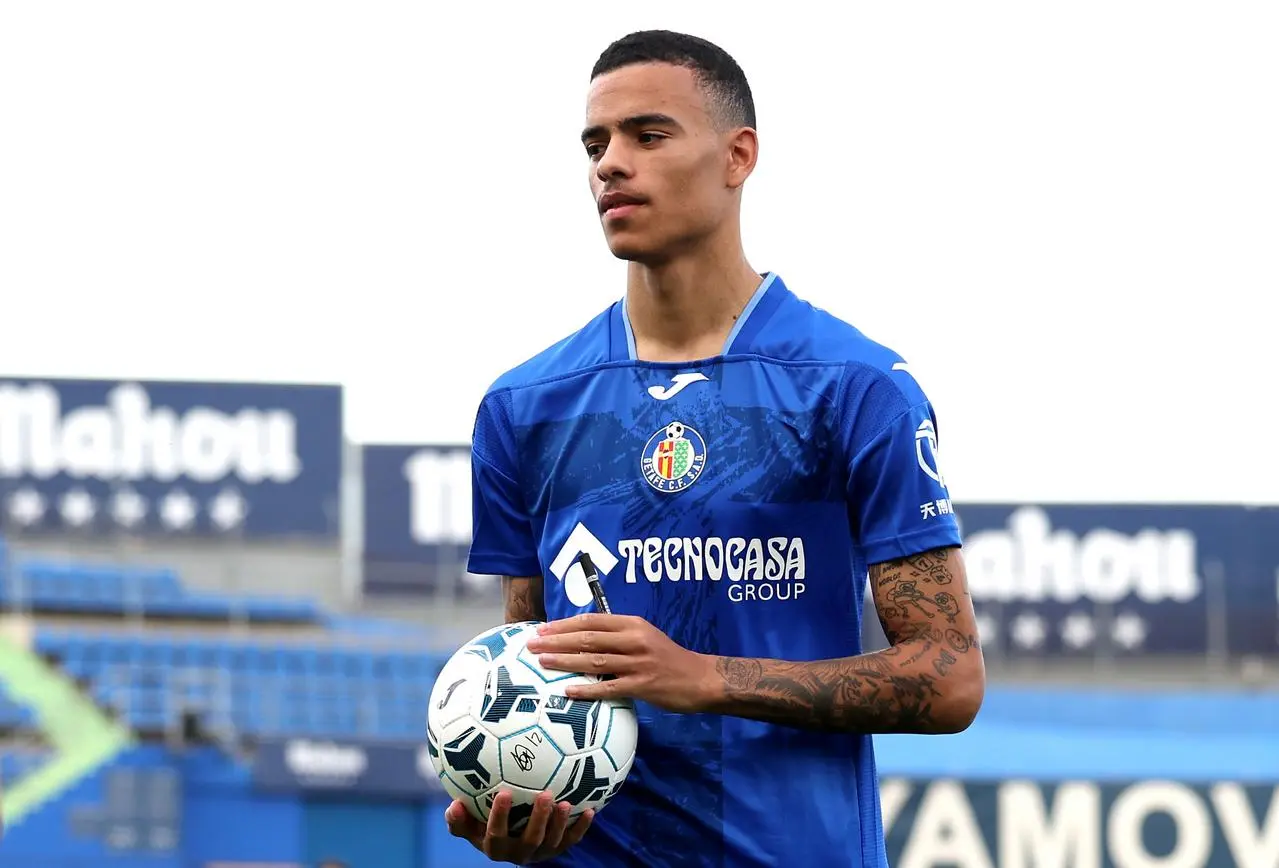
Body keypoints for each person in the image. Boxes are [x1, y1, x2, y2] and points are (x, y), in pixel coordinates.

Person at [448, 29, 986, 868]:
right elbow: (534, 669)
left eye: (647, 136)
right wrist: (512, 809)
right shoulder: (525, 407)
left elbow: (948, 677)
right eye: (595, 144)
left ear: (738, 156)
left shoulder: (852, 387)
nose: (609, 165)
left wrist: (704, 679)